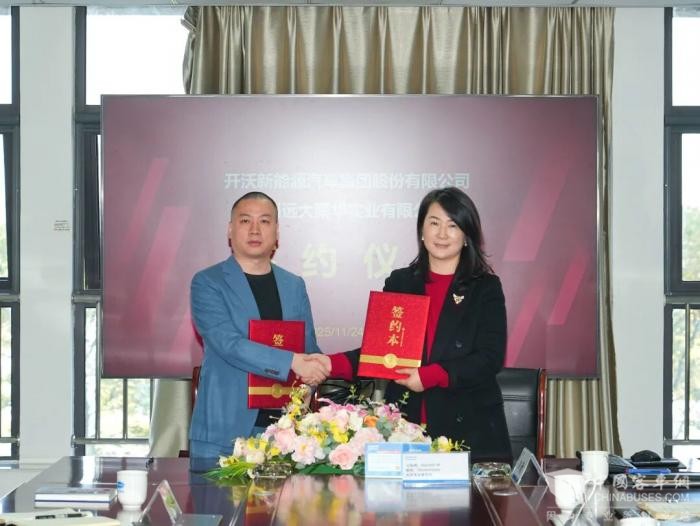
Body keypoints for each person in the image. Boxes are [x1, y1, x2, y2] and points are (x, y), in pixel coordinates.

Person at [329, 187, 511, 462]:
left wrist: (429, 376)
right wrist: (328, 363)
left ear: (466, 235)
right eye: (434, 223)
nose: (442, 234)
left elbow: (490, 357)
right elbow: (379, 351)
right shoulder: (401, 282)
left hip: (469, 428)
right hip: (406, 426)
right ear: (422, 230)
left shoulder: (485, 287)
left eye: (453, 225)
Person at [189, 191, 331, 458]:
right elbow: (229, 344)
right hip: (225, 432)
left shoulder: (293, 285)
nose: (255, 229)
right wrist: (292, 361)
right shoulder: (208, 282)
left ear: (276, 232)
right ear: (230, 230)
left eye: (264, 221)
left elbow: (308, 348)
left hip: (285, 435)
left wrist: (313, 375)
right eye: (245, 221)